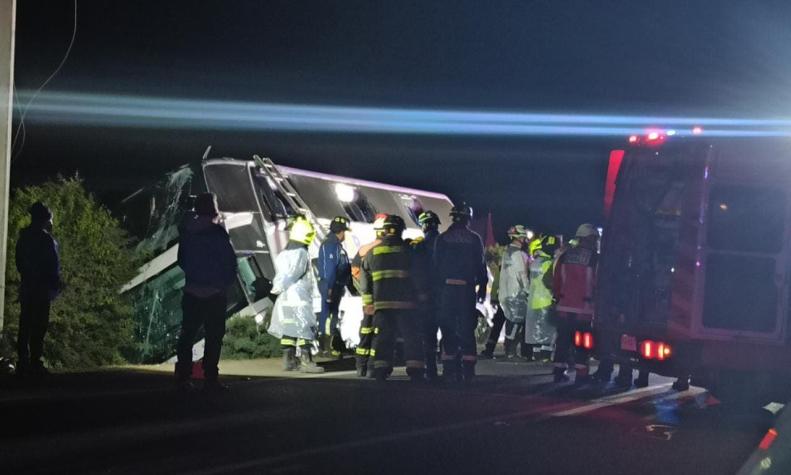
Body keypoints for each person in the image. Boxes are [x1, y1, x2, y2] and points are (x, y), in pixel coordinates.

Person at [176, 193, 238, 391]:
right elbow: (229, 262)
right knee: (214, 336)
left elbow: (182, 261)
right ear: (213, 209)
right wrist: (224, 282)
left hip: (192, 290)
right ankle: (210, 377)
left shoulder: (187, 233)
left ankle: (183, 377)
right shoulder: (218, 234)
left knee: (187, 335)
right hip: (214, 293)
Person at [359, 215, 426, 382]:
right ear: (401, 230)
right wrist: (422, 295)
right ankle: (415, 370)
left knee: (382, 338)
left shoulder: (372, 252)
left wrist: (368, 302)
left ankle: (381, 369)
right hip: (406, 304)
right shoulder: (409, 251)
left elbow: (364, 279)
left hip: (382, 304)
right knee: (411, 337)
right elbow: (418, 275)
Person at [433, 204, 488, 383]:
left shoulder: (442, 238)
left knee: (448, 328)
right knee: (466, 329)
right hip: (466, 290)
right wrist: (482, 286)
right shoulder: (474, 239)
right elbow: (481, 265)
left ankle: (449, 368)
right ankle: (468, 369)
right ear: (467, 219)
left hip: (446, 290)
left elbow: (435, 265)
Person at [268, 216, 325, 374]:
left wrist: (277, 288)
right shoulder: (300, 252)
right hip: (298, 296)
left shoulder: (284, 253)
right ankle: (307, 362)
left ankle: (289, 361)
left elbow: (283, 275)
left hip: (285, 296)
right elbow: (294, 273)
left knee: (289, 328)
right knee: (304, 326)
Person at [15, 202, 61, 378]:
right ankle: (35, 361)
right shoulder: (46, 240)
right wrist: (53, 283)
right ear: (45, 219)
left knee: (25, 324)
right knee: (39, 325)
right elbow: (53, 265)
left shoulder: (24, 238)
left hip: (28, 287)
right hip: (41, 289)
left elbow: (19, 262)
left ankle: (23, 362)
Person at [552, 223, 599, 383]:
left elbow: (555, 280)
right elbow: (597, 283)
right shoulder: (594, 258)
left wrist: (558, 296)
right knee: (583, 342)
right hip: (584, 309)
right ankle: (582, 374)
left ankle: (558, 372)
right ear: (590, 239)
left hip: (564, 306)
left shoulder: (565, 256)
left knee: (563, 340)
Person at [350, 213, 388, 377]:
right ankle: (374, 367)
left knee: (366, 330)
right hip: (386, 299)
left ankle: (361, 366)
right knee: (382, 333)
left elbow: (355, 272)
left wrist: (365, 293)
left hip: (368, 299)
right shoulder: (391, 248)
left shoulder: (365, 249)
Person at [317, 216, 352, 357]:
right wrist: (329, 288)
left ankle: (327, 346)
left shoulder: (335, 244)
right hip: (330, 285)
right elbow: (329, 269)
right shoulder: (331, 245)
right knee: (329, 316)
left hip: (335, 285)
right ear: (341, 231)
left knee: (332, 315)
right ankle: (325, 348)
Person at [413, 210, 442, 380]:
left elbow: (417, 271)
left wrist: (420, 292)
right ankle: (451, 369)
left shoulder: (421, 246)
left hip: (427, 296)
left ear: (424, 226)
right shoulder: (446, 242)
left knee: (429, 334)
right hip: (445, 294)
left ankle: (431, 370)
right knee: (449, 332)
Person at [499, 225, 532, 360]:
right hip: (516, 294)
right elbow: (522, 274)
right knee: (516, 324)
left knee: (511, 322)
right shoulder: (517, 254)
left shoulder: (507, 252)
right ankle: (511, 352)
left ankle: (510, 351)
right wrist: (528, 290)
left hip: (506, 292)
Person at [525, 235, 559, 361]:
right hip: (546, 300)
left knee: (536, 330)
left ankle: (536, 355)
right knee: (547, 331)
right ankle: (545, 357)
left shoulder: (535, 263)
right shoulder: (549, 263)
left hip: (534, 301)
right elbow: (551, 282)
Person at [479, 246, 505, 359]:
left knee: (498, 324)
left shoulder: (500, 267)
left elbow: (496, 283)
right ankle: (510, 349)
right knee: (508, 324)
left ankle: (489, 348)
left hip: (502, 298)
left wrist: (494, 297)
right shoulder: (501, 267)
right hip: (510, 298)